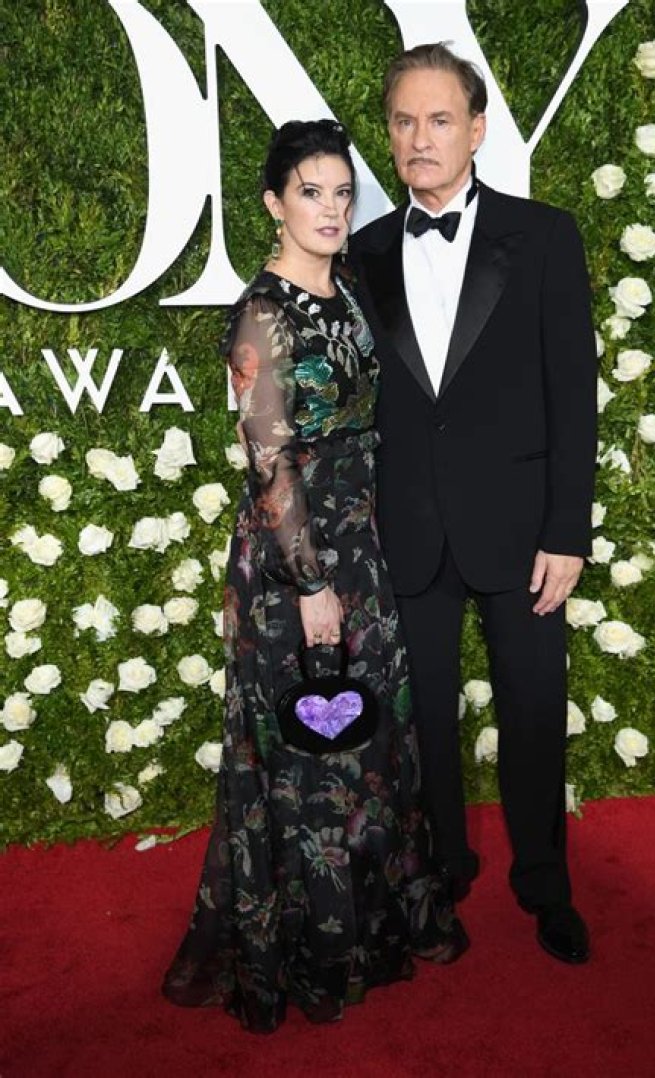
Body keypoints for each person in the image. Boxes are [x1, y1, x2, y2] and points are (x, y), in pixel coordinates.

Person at [161, 119, 468, 1034]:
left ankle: (373, 928)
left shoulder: (349, 291)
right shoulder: (261, 313)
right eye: (311, 193)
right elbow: (270, 460)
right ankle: (313, 951)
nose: (331, 210)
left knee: (370, 746)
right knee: (308, 755)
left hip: (363, 544)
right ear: (273, 203)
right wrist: (310, 584)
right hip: (296, 559)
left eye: (342, 193)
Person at [350, 43, 597, 964]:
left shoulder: (544, 237)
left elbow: (573, 394)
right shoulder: (365, 253)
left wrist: (567, 530)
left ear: (478, 129)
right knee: (424, 721)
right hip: (409, 528)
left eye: (440, 119)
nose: (421, 138)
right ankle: (441, 870)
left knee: (534, 709)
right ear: (389, 135)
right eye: (404, 121)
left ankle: (546, 884)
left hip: (524, 531)